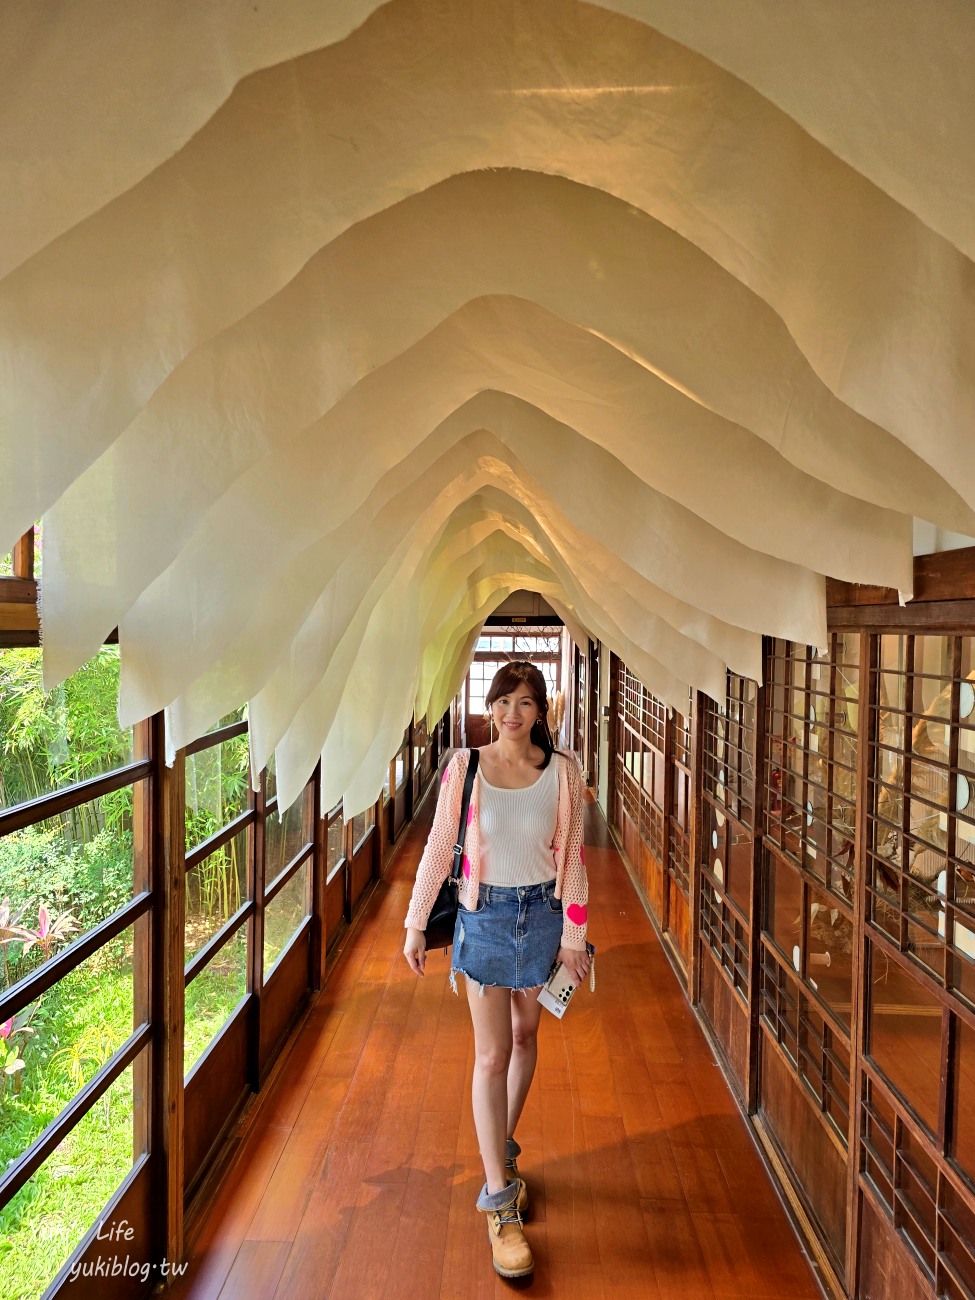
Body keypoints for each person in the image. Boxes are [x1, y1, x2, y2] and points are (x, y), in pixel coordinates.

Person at [403, 661, 590, 1279]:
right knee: (489, 1055)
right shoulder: (465, 767)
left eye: (527, 703)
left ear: (541, 713)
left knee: (524, 1037)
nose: (514, 713)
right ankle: (499, 1201)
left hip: (541, 917)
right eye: (504, 701)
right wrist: (413, 922)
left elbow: (574, 863)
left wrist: (575, 938)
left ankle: (499, 1151)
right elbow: (437, 848)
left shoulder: (563, 774)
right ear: (492, 707)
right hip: (483, 920)